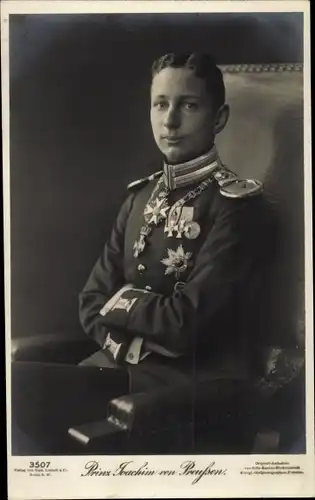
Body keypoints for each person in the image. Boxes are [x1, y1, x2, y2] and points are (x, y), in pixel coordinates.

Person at [11, 53, 266, 455]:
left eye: (189, 105)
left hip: (178, 388)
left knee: (19, 388)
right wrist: (127, 342)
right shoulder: (140, 198)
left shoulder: (236, 207)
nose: (170, 121)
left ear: (218, 119)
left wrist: (122, 307)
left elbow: (185, 322)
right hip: (115, 367)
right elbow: (91, 301)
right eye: (160, 103)